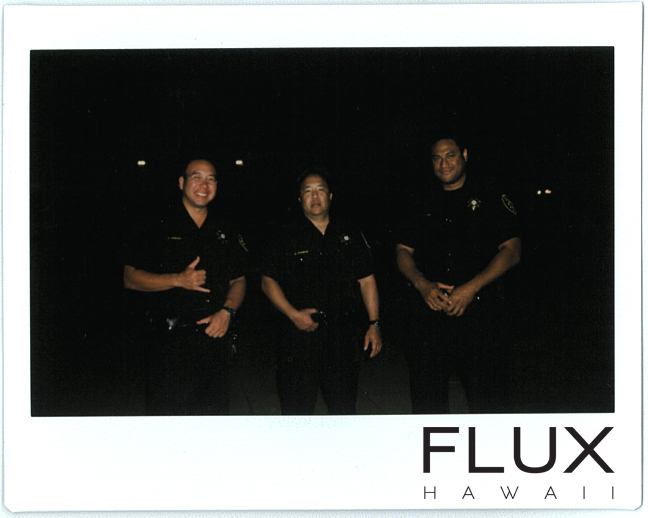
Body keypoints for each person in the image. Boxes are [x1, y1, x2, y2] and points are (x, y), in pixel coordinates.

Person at [396, 136, 521, 414]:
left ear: (464, 155)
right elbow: (402, 251)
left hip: (480, 314)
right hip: (431, 314)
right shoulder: (419, 199)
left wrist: (471, 288)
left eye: (450, 155)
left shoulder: (490, 194)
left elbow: (512, 251)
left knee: (489, 402)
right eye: (437, 158)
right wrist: (422, 285)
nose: (444, 164)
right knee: (428, 403)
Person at [123, 159, 247, 415]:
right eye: (196, 177)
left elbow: (238, 280)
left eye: (211, 179)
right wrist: (178, 280)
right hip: (169, 343)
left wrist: (228, 312)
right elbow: (130, 278)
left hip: (215, 339)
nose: (204, 185)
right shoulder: (156, 223)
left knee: (214, 419)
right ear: (181, 182)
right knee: (169, 421)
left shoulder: (226, 227)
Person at [261, 167, 382, 415]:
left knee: (343, 409)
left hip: (343, 335)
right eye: (308, 191)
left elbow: (367, 280)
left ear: (331, 196)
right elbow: (267, 281)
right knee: (297, 412)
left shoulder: (349, 233)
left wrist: (374, 324)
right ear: (299, 199)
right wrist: (293, 314)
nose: (315, 197)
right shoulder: (284, 234)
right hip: (299, 335)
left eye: (320, 190)